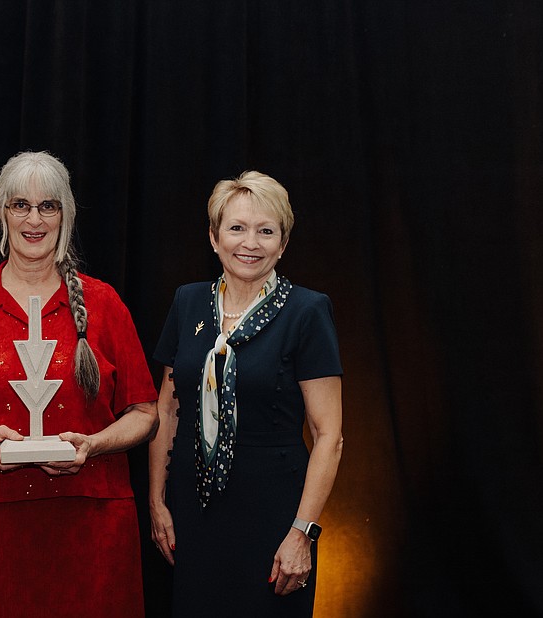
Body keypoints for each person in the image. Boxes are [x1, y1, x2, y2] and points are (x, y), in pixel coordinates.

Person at [0, 151, 158, 617]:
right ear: (0, 213)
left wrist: (94, 443)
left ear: (65, 214)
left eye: (48, 206)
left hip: (92, 529)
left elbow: (145, 413)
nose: (34, 219)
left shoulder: (105, 305)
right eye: (20, 205)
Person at [148, 170, 343, 616]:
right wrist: (156, 500)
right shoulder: (187, 302)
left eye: (265, 231)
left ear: (283, 243)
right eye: (237, 228)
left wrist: (302, 532)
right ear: (214, 238)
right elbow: (168, 407)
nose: (249, 243)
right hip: (194, 511)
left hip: (275, 516)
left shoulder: (307, 312)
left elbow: (328, 434)